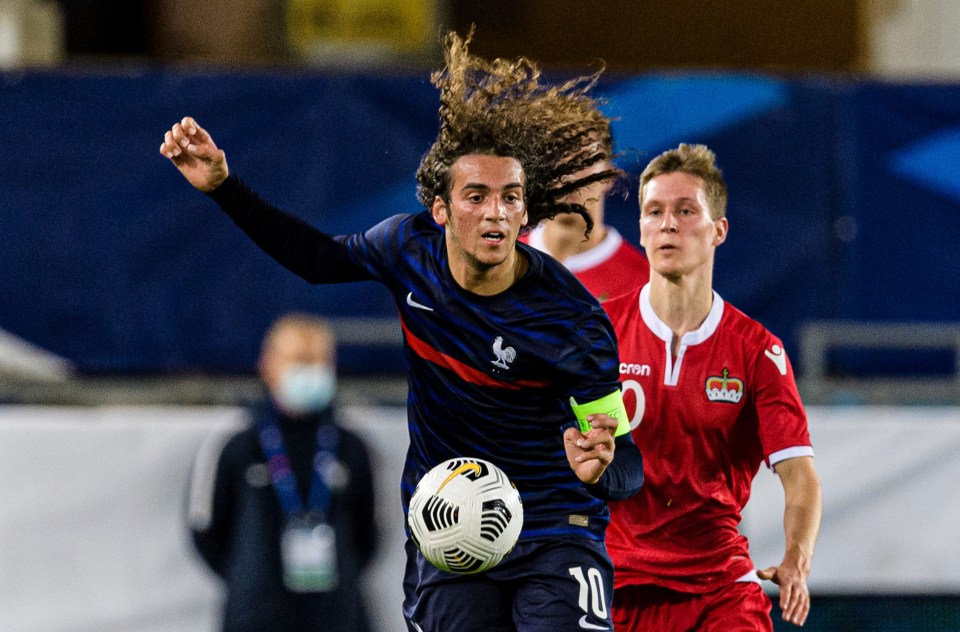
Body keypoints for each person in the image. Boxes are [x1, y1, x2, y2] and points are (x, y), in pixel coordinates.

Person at [162, 31, 644, 632]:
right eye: (476, 196)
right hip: (449, 530)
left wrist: (601, 465)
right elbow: (315, 260)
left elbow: (625, 460)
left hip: (554, 532)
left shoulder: (573, 320)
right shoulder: (405, 248)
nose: (494, 212)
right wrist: (223, 188)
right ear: (440, 209)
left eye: (510, 199)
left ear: (526, 213)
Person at [602, 144, 822, 630]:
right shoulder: (600, 334)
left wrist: (796, 558)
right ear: (639, 228)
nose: (667, 224)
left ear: (718, 230)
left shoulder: (755, 350)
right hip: (616, 585)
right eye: (654, 211)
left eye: (685, 211)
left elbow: (800, 476)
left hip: (719, 589)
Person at [186, 314, 378, 632]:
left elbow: (371, 531)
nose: (308, 372)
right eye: (297, 362)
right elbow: (205, 528)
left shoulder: (350, 443)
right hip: (255, 617)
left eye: (317, 362)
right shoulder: (237, 440)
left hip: (337, 617)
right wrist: (248, 578)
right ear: (268, 364)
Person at [521, 126, 649, 302]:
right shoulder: (496, 261)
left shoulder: (644, 290)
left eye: (583, 159)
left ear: (609, 174)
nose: (568, 174)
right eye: (555, 158)